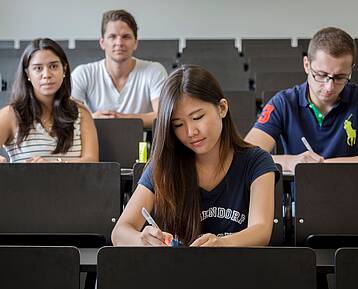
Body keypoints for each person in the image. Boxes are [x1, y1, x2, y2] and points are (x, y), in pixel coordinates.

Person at [111, 65, 277, 247]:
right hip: (177, 271)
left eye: (197, 117)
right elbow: (120, 232)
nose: (191, 132)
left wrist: (222, 243)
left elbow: (261, 230)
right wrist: (142, 239)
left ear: (222, 108)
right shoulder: (164, 165)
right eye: (178, 124)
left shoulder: (257, 161)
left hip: (237, 270)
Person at [245, 27, 358, 173]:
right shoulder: (283, 103)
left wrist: (325, 166)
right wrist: (290, 162)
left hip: (354, 193)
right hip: (302, 195)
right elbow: (247, 156)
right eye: (321, 75)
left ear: (351, 70)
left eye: (340, 77)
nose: (329, 87)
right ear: (307, 65)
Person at [0, 38, 99, 170]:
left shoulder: (81, 112)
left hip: (75, 192)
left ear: (64, 69)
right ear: (27, 73)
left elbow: (92, 161)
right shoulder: (10, 115)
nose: (46, 74)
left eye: (53, 66)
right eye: (38, 68)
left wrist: (54, 166)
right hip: (24, 193)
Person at [71, 9, 168, 128]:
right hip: (97, 143)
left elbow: (163, 116)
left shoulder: (154, 71)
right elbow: (69, 117)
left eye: (126, 37)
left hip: (141, 144)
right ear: (102, 42)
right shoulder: (83, 73)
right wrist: (92, 119)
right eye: (112, 36)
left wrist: (123, 119)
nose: (119, 42)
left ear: (136, 42)